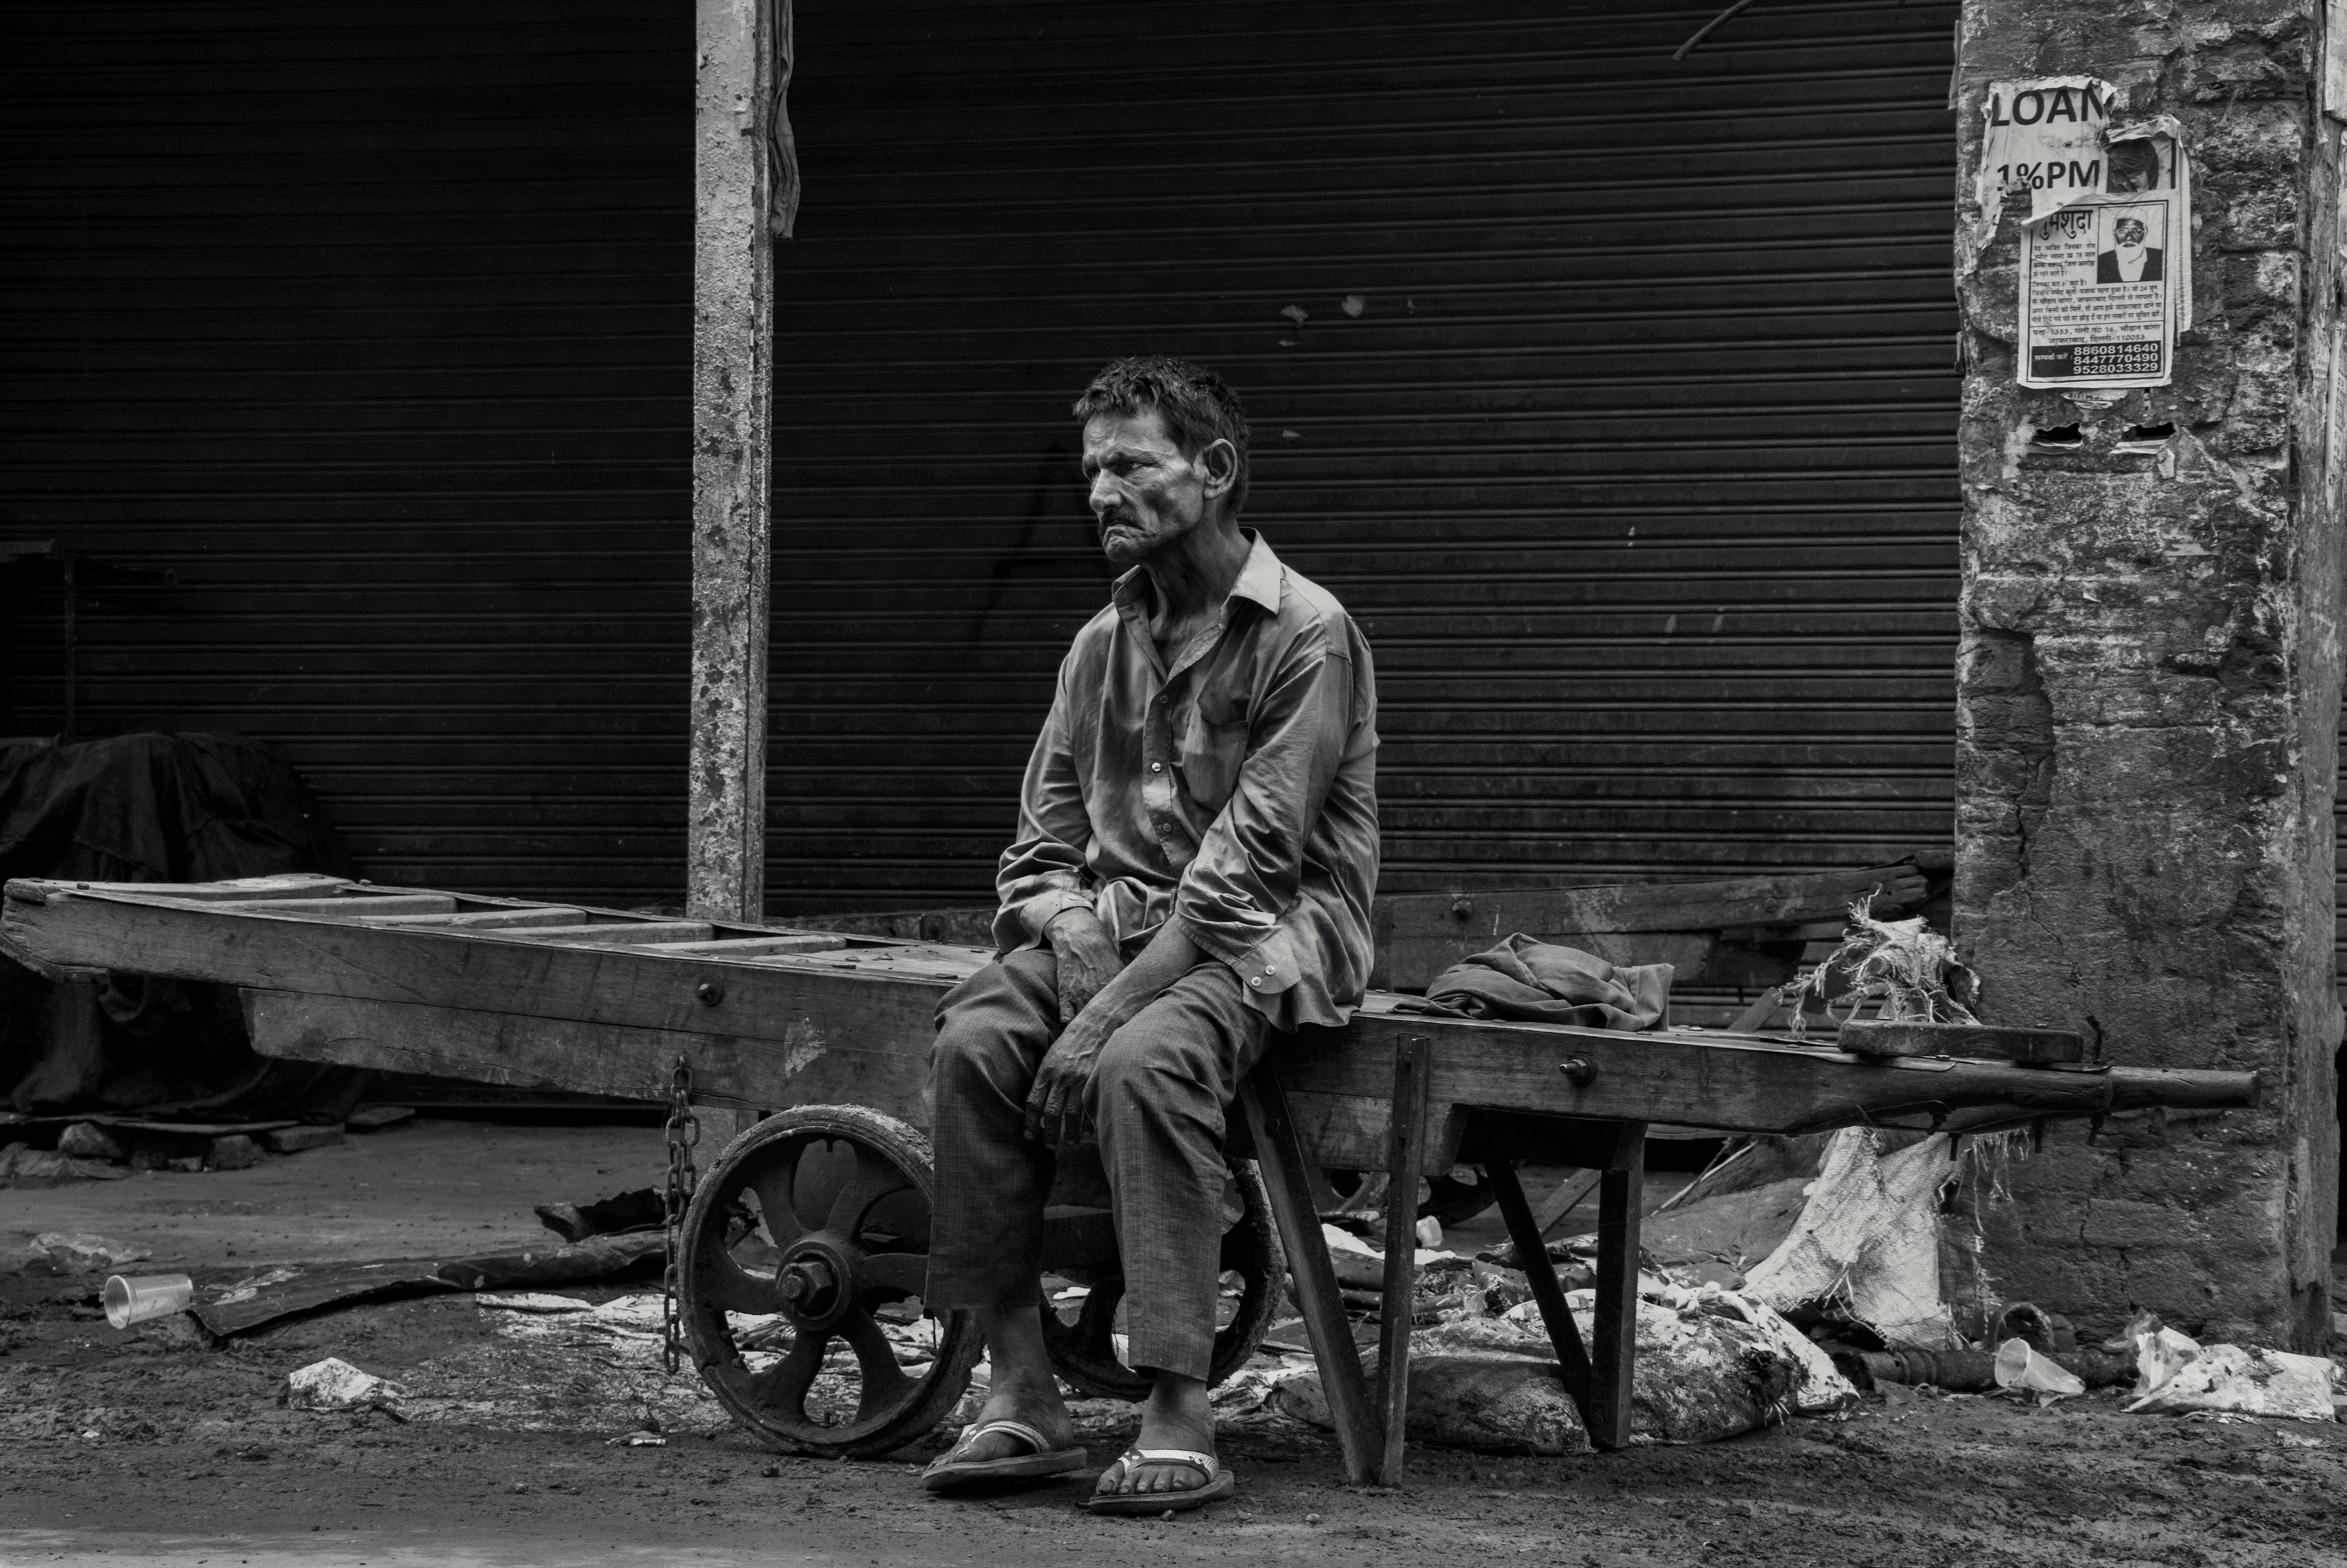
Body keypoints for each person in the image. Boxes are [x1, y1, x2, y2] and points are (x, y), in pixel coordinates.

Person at [916, 355, 1379, 1513]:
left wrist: (1098, 1019)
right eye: (1090, 471)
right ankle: (1022, 1390)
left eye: (1130, 463)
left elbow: (1239, 889)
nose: (1099, 490)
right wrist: (1073, 944)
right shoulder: (1097, 648)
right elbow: (1037, 853)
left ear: (1212, 471)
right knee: (972, 1040)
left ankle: (1179, 1408)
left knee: (1142, 1063)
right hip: (1124, 932)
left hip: (1267, 936)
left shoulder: (1305, 633)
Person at [2096, 214, 2163, 283]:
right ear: (2115, 235)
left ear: (2145, 233)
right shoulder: (2103, 261)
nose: (2129, 238)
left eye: (2137, 231)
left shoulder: (2161, 257)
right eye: (2122, 231)